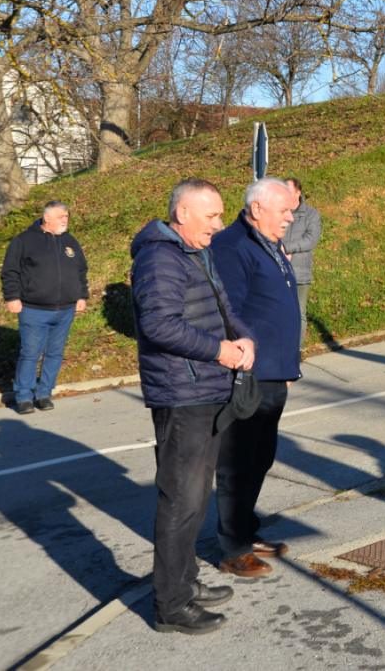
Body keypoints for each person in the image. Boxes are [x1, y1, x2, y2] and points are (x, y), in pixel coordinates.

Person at [131, 179, 255, 635]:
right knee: (180, 500)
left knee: (196, 496)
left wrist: (241, 337)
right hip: (182, 395)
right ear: (183, 214)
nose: (219, 225)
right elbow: (159, 325)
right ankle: (171, 606)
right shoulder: (159, 257)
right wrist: (219, 351)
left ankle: (186, 583)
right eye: (212, 216)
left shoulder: (194, 251)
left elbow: (223, 306)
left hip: (204, 389)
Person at [210, 177, 302, 578]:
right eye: (284, 210)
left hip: (273, 372)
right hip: (248, 375)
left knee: (260, 457)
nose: (291, 216)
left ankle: (245, 528)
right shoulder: (233, 246)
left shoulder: (268, 243)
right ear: (259, 208)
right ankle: (233, 548)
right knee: (237, 461)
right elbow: (228, 311)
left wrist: (287, 363)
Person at [2, 201, 89, 414]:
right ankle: (24, 396)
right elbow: (10, 271)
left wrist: (81, 295)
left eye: (67, 216)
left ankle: (44, 393)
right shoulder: (24, 241)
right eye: (61, 217)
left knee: (55, 353)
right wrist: (12, 297)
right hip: (34, 309)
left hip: (65, 309)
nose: (65, 220)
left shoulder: (70, 241)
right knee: (30, 353)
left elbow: (80, 271)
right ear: (46, 218)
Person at [281, 176, 321, 333]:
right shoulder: (278, 212)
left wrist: (287, 248)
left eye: (289, 191)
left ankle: (296, 351)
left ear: (298, 192)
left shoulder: (311, 214)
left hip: (299, 272)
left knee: (299, 314)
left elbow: (311, 240)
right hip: (278, 271)